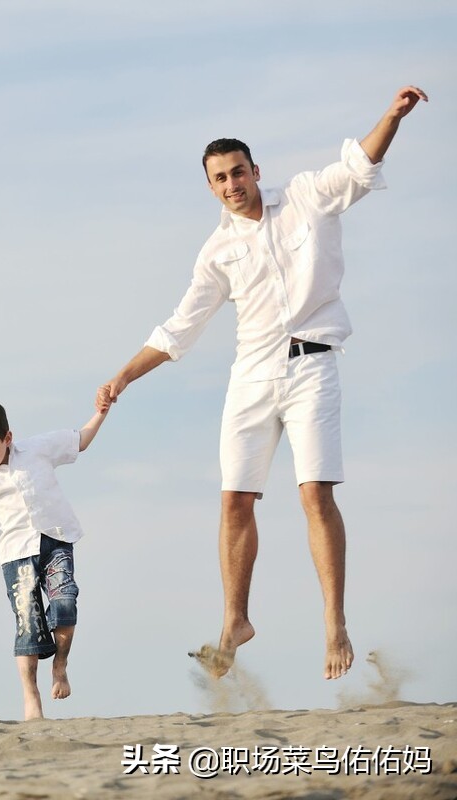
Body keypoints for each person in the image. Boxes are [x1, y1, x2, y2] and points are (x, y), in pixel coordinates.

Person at [96, 86, 429, 681]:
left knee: (314, 495)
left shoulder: (304, 196)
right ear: (210, 186)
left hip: (312, 365)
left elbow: (359, 168)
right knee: (233, 500)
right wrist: (124, 373)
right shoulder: (217, 251)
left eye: (238, 172)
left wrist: (391, 118)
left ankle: (334, 623)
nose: (231, 184)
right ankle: (235, 620)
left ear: (255, 171)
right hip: (251, 375)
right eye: (219, 178)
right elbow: (181, 328)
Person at [0, 399, 107, 720]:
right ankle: (32, 700)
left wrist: (102, 411)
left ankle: (60, 665)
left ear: (8, 438)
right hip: (16, 554)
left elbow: (80, 440)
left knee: (66, 602)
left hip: (57, 539)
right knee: (28, 623)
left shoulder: (38, 449)